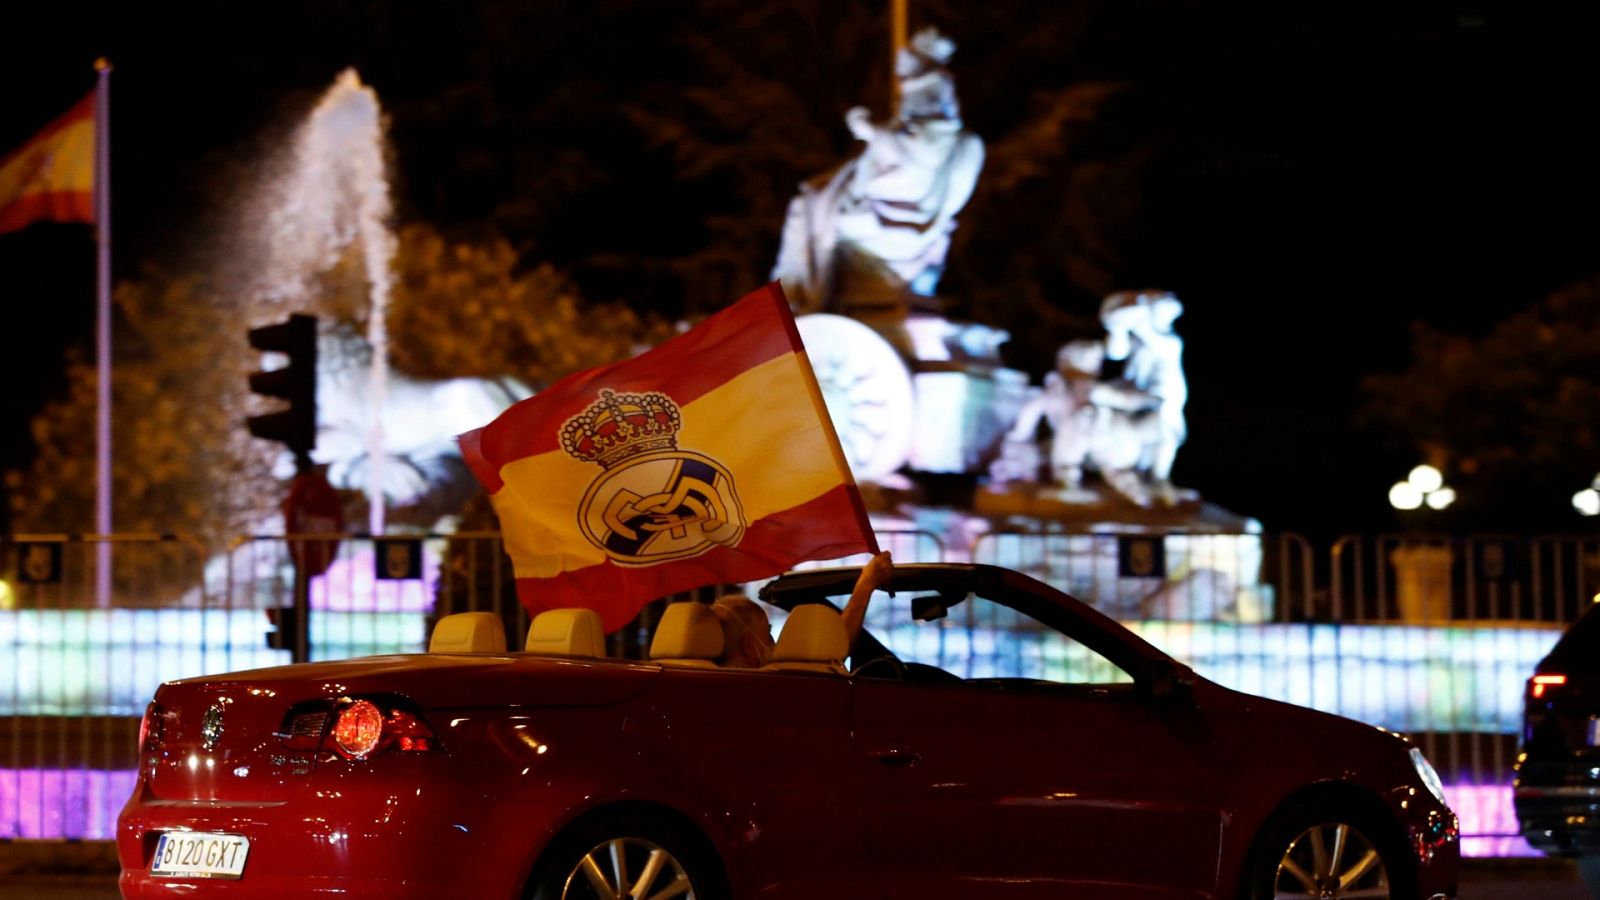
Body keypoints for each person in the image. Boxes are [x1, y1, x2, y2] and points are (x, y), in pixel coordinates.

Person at [711, 551, 894, 668]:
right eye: (768, 633)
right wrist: (865, 585)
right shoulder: (768, 689)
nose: (775, 643)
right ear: (749, 646)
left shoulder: (692, 684)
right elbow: (830, 653)